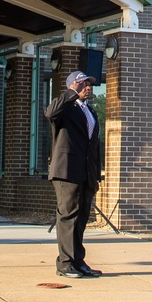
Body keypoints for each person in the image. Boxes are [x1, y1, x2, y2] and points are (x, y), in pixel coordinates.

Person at [45, 70, 102, 277]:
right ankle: (65, 262)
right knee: (68, 216)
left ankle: (78, 260)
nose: (88, 87)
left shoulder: (91, 112)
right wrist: (70, 93)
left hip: (86, 173)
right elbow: (50, 113)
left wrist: (95, 175)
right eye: (83, 83)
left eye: (89, 84)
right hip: (66, 171)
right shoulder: (65, 109)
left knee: (82, 217)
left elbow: (94, 146)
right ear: (73, 86)